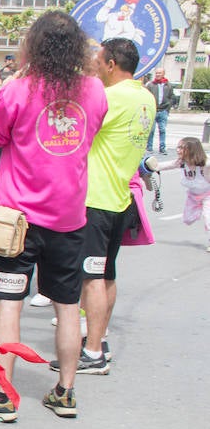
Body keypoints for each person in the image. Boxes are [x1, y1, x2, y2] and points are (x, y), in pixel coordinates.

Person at [0, 11, 107, 423]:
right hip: (70, 218)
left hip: (17, 222)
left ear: (35, 45)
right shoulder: (96, 90)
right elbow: (88, 137)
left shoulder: (18, 89)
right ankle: (65, 392)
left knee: (7, 306)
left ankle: (4, 396)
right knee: (66, 306)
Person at [68, 37, 156, 379]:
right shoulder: (145, 97)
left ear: (111, 64)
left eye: (99, 59)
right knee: (106, 275)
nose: (96, 64)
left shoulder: (110, 97)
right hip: (120, 196)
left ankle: (92, 352)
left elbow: (77, 130)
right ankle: (98, 339)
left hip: (96, 197)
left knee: (90, 278)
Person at [159, 137, 210, 249]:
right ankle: (201, 211)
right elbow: (164, 166)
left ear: (192, 150)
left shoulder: (205, 164)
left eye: (182, 148)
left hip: (208, 195)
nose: (178, 150)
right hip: (193, 196)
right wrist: (148, 166)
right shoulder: (181, 163)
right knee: (188, 219)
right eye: (178, 147)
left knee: (208, 218)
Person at [144, 67, 176, 155]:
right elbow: (147, 96)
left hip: (163, 110)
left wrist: (168, 107)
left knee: (162, 130)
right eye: (157, 73)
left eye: (160, 73)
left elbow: (171, 96)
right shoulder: (150, 85)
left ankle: (162, 148)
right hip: (153, 110)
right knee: (151, 130)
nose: (158, 74)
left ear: (163, 74)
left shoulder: (168, 85)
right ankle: (149, 147)